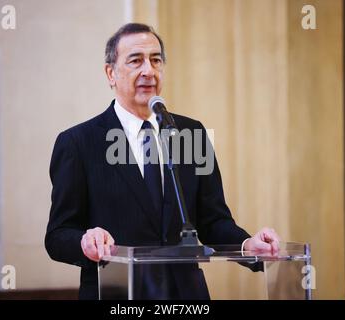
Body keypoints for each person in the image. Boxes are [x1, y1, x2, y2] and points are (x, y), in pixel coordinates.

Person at [45, 23, 280, 300]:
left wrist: (247, 245)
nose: (148, 70)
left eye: (156, 60)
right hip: (118, 295)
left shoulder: (190, 134)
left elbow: (212, 220)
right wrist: (85, 241)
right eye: (135, 61)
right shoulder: (78, 143)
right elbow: (58, 236)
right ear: (111, 73)